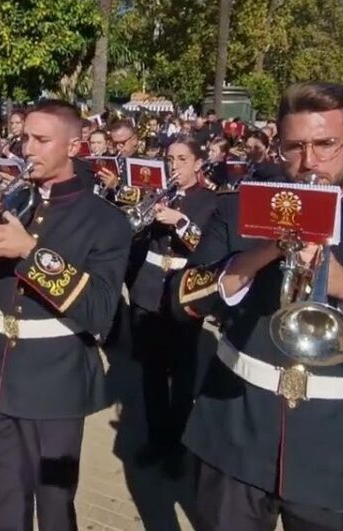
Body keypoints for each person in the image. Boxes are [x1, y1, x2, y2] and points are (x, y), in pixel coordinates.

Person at [176, 82, 343, 531]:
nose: (309, 162)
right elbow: (179, 301)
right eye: (294, 147)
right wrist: (261, 253)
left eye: (325, 144)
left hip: (339, 456)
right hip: (233, 435)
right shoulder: (238, 210)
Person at [0, 100, 132, 531]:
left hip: (56, 379)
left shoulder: (105, 221)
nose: (28, 150)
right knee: (4, 501)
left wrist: (30, 254)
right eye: (25, 139)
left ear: (73, 145)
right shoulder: (14, 201)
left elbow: (99, 310)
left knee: (55, 507)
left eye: (41, 140)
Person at [127, 137, 217, 476]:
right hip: (149, 289)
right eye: (170, 158)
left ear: (197, 164)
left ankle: (178, 445)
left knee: (181, 376)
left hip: (182, 291)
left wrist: (179, 221)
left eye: (182, 159)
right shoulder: (157, 193)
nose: (175, 165)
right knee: (150, 374)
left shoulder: (210, 200)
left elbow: (206, 246)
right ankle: (156, 439)